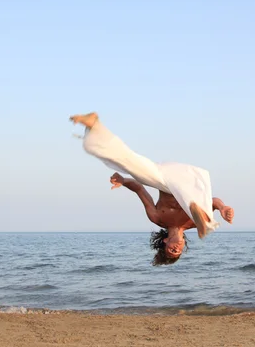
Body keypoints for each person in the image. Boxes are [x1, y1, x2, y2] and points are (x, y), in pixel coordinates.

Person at [70, 112, 235, 265]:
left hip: (167, 178)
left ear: (165, 242)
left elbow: (140, 190)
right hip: (191, 181)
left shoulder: (157, 217)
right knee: (205, 209)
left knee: (128, 162)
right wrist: (223, 207)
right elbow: (213, 201)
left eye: (172, 250)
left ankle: (94, 126)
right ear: (183, 244)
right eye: (178, 251)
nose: (176, 249)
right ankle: (206, 224)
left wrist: (124, 181)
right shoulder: (190, 223)